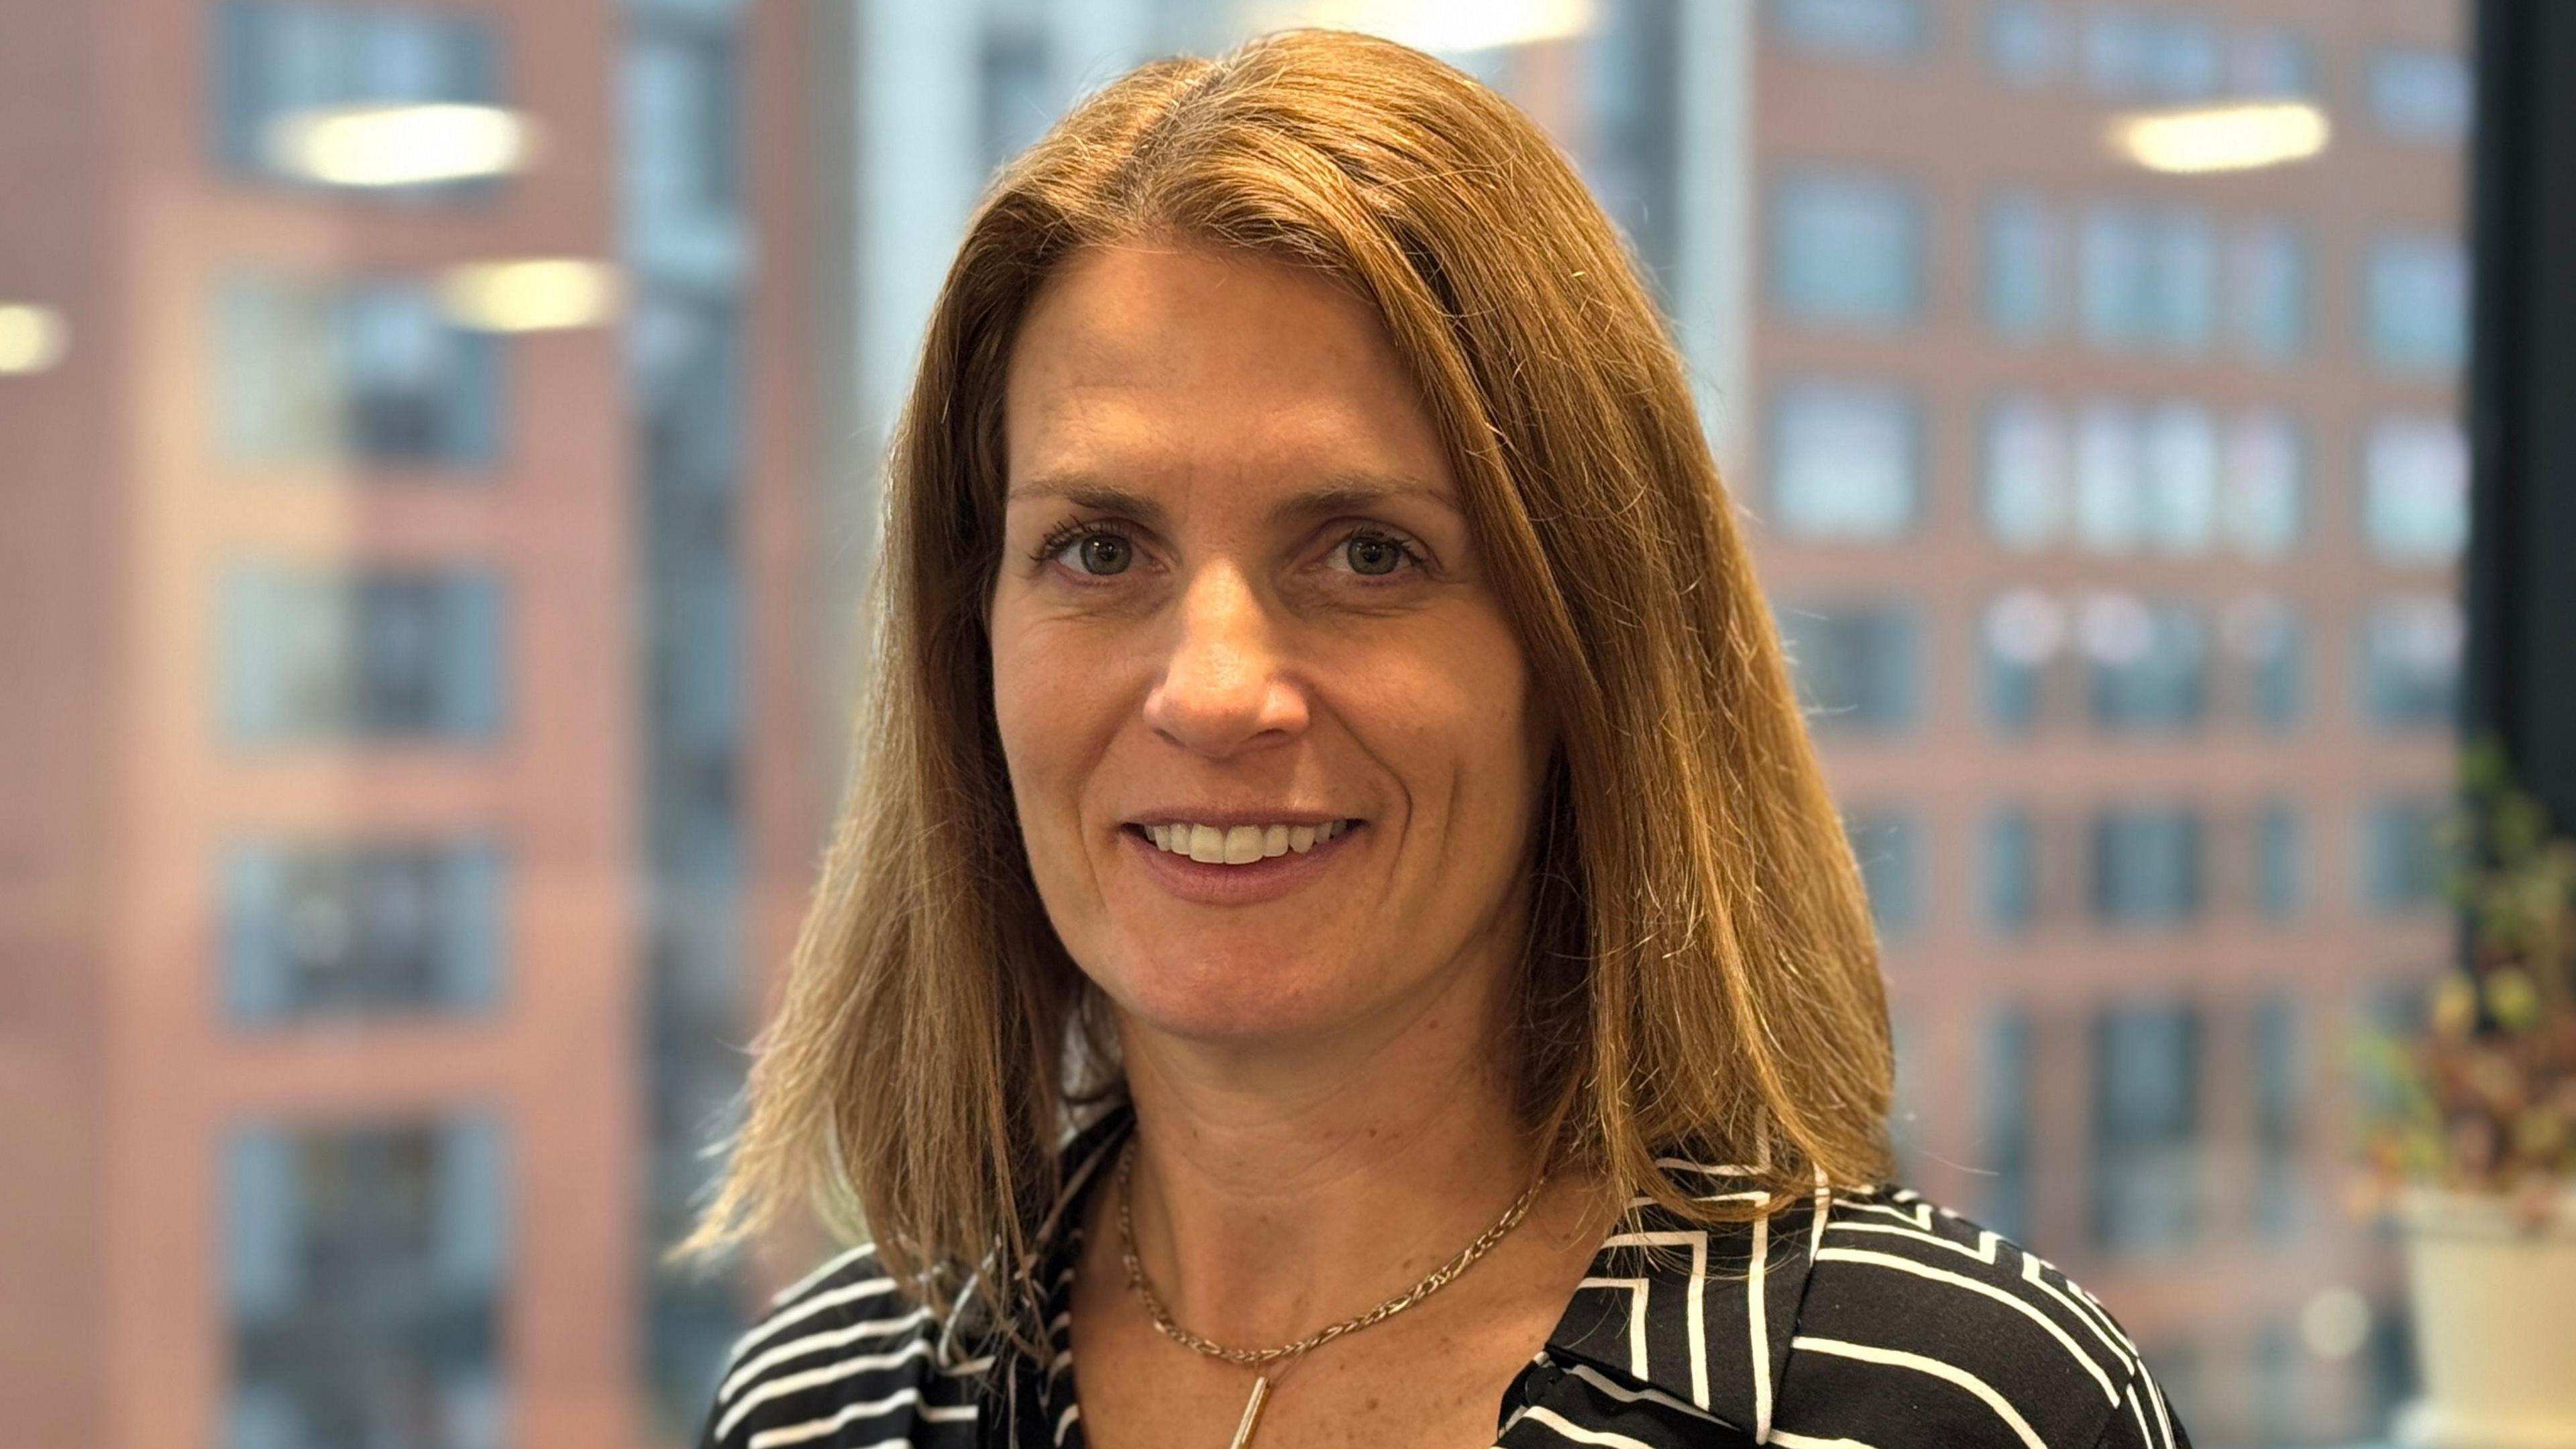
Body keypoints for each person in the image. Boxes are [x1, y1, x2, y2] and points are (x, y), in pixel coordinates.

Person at [680, 28, 2192, 1449]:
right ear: (973, 648)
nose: (1212, 692)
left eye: (1366, 554)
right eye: (1097, 549)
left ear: (1579, 655)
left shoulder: (1943, 1405)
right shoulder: (827, 1404)